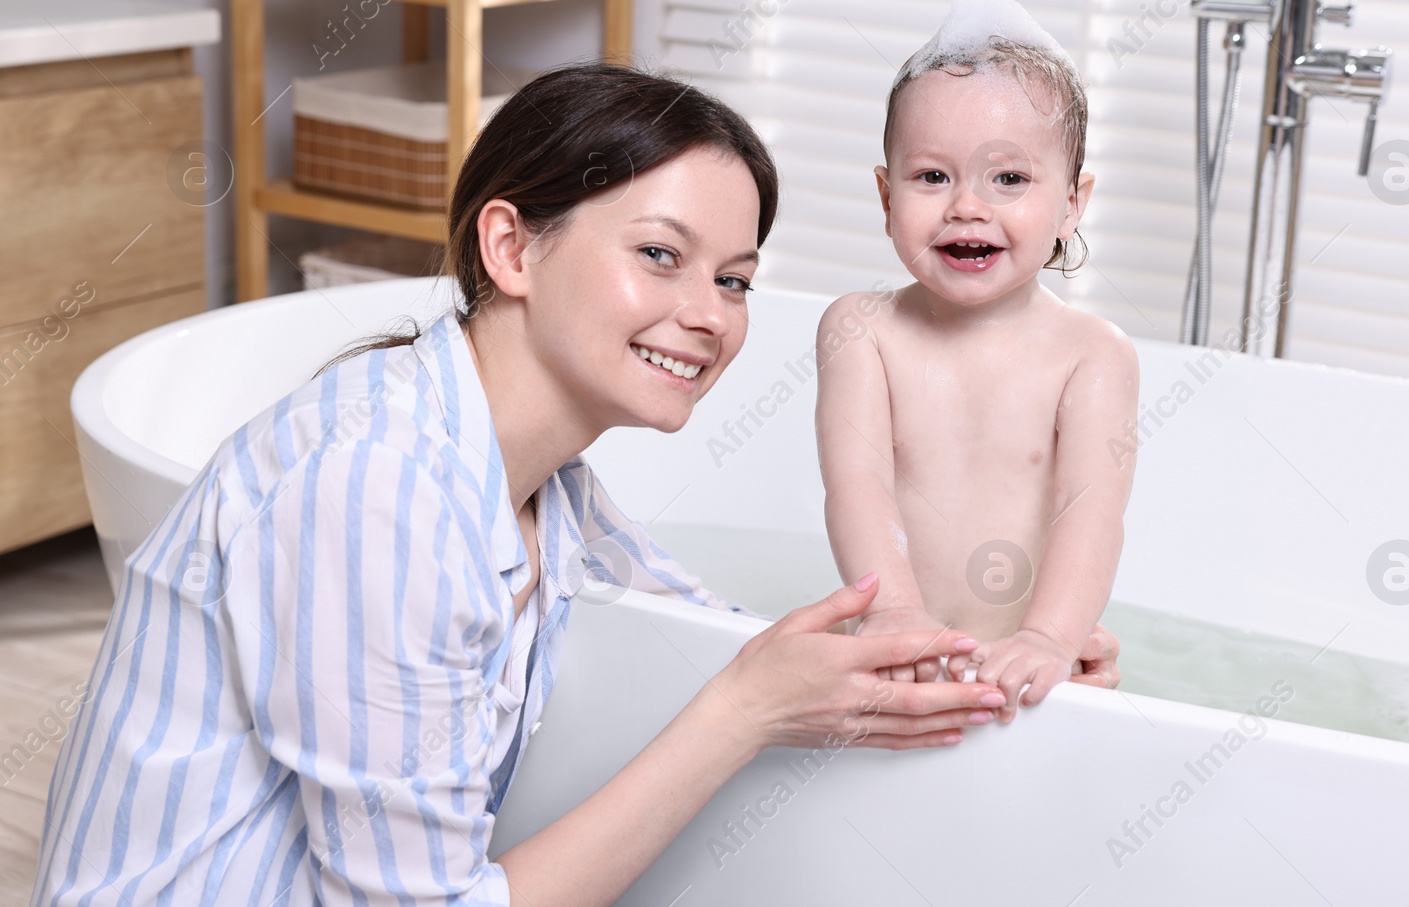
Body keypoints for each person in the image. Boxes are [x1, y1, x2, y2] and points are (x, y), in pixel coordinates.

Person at [31, 62, 1121, 907]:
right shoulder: (372, 486)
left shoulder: (548, 490)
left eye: (734, 278)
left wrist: (973, 668)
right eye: (660, 254)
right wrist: (738, 716)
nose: (710, 312)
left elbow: (711, 632)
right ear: (510, 245)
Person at [817, 0, 1139, 725]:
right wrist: (894, 613)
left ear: (1071, 203)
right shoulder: (860, 331)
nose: (967, 206)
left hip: (1020, 664)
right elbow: (856, 483)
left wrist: (1050, 637)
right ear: (884, 193)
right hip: (893, 651)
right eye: (932, 177)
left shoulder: (1092, 355)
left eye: (1010, 179)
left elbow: (1089, 510)